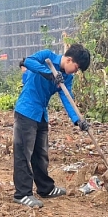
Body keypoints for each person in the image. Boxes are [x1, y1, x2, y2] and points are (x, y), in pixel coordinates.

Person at [12, 44, 91, 208]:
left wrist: (78, 120)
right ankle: (22, 194)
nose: (75, 72)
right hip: (27, 109)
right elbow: (28, 61)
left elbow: (67, 97)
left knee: (41, 153)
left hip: (41, 112)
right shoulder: (47, 56)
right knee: (23, 153)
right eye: (75, 68)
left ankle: (45, 188)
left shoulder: (67, 77)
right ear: (69, 60)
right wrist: (49, 74)